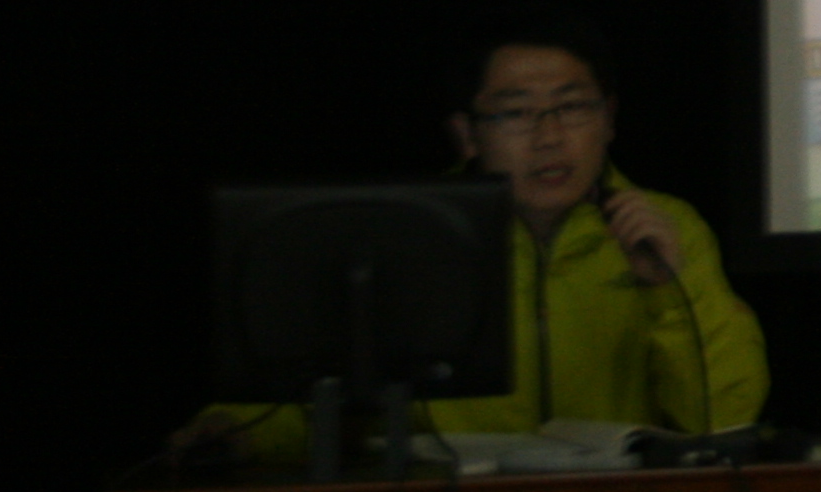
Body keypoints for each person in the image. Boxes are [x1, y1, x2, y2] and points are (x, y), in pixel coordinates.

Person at [178, 32, 769, 464]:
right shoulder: (414, 236)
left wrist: (665, 292)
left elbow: (724, 419)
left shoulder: (667, 228)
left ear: (609, 118)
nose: (549, 137)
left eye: (572, 107)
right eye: (516, 113)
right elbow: (319, 398)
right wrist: (236, 431)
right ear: (466, 134)